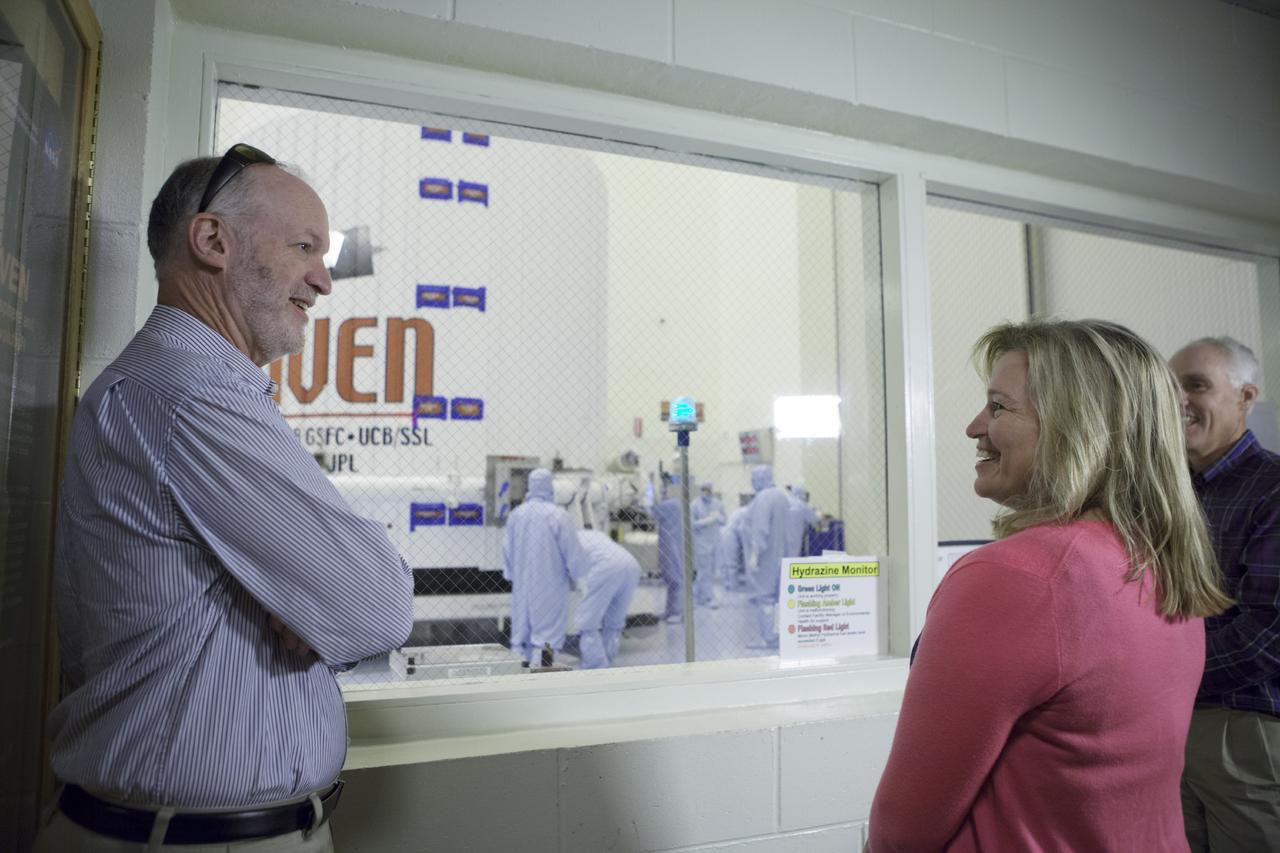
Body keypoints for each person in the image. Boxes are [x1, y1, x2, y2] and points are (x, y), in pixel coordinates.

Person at [36, 144, 414, 852]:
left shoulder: (181, 389)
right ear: (212, 241)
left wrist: (313, 601)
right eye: (305, 247)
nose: (324, 281)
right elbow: (376, 604)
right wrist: (317, 598)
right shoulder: (189, 395)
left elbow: (347, 604)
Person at [869, 319, 1230, 852]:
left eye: (999, 407)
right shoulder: (1158, 558)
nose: (974, 427)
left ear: (1074, 425)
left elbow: (903, 829)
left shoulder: (1019, 575)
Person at [1169, 336, 1280, 851]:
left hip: (1245, 730)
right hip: (1167, 723)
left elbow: (1266, 638)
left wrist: (1159, 671)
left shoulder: (1273, 490)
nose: (1179, 402)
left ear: (1246, 397)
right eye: (1170, 388)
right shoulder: (1168, 495)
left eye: (1196, 385)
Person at [503, 467, 588, 666]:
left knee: (520, 639)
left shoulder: (517, 515)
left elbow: (506, 549)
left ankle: (517, 678)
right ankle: (543, 680)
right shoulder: (558, 516)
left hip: (522, 587)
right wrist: (579, 579)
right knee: (546, 641)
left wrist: (512, 574)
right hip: (550, 587)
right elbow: (572, 552)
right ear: (550, 486)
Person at [573, 530, 642, 668]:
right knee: (614, 621)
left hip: (605, 567)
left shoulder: (566, 541)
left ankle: (595, 666)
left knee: (588, 621)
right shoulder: (591, 533)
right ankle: (608, 658)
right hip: (631, 564)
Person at [745, 465, 791, 648]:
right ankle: (779, 634)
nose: (752, 482)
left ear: (761, 478)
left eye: (754, 478)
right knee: (778, 597)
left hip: (766, 555)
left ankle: (768, 638)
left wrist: (755, 554)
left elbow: (760, 528)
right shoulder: (782, 496)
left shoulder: (762, 498)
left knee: (764, 596)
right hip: (782, 553)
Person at [651, 476, 686, 623]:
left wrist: (643, 500)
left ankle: (677, 613)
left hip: (672, 545)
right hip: (669, 543)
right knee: (671, 579)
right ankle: (670, 611)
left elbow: (651, 512)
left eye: (663, 489)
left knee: (675, 579)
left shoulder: (671, 504)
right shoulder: (675, 503)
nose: (662, 491)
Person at [691, 480, 726, 607]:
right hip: (702, 543)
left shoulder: (718, 503)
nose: (707, 492)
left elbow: (724, 521)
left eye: (709, 490)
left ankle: (697, 595)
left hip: (715, 541)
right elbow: (691, 524)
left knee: (709, 571)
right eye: (705, 490)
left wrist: (719, 517)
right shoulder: (694, 505)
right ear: (701, 490)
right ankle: (709, 597)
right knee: (704, 570)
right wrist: (708, 520)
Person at [717, 504, 750, 592]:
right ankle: (733, 587)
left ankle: (728, 584)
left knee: (726, 563)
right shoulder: (747, 512)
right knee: (732, 564)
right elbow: (741, 529)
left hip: (724, 533)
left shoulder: (743, 510)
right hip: (730, 535)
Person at [784, 482, 819, 557]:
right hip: (794, 539)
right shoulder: (801, 505)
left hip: (780, 540)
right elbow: (815, 519)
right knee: (792, 560)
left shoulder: (783, 501)